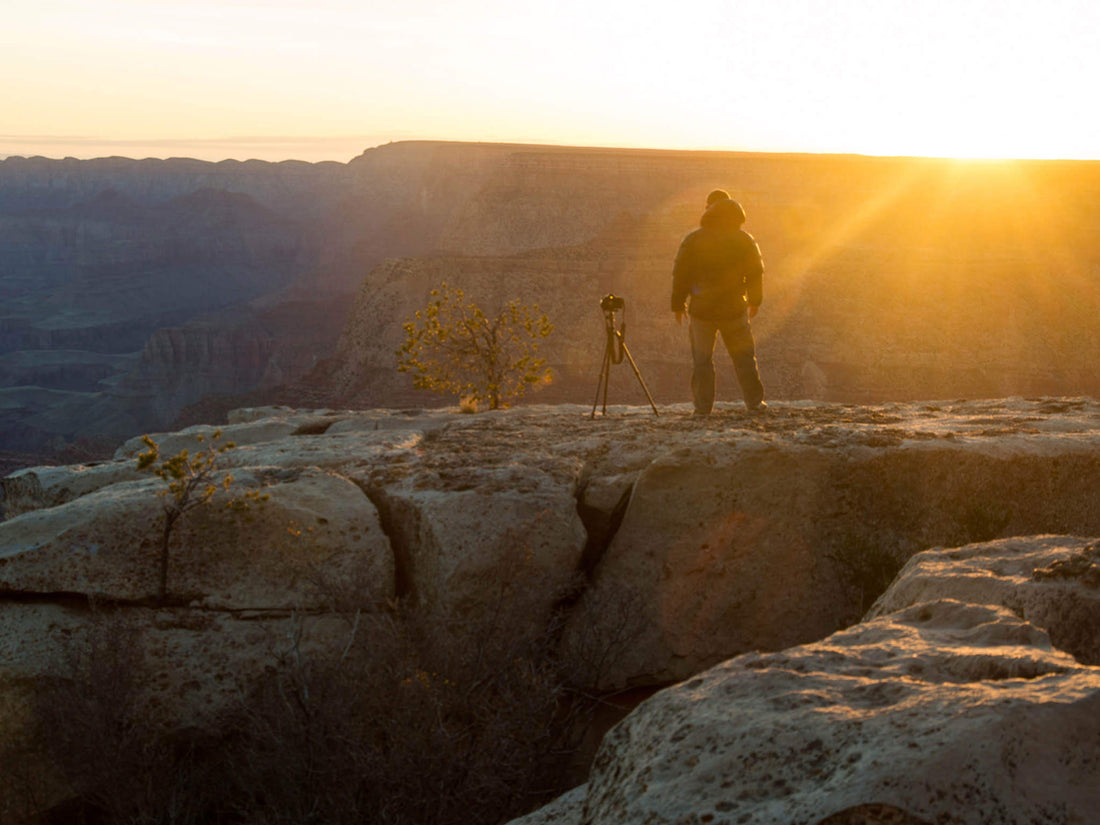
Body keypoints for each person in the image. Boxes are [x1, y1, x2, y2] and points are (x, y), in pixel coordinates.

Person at [670, 189, 766, 414]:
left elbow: (681, 274)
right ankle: (755, 403)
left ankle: (703, 408)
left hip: (701, 311)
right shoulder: (744, 240)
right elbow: (755, 273)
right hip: (734, 309)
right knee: (744, 358)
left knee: (702, 361)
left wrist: (678, 305)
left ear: (709, 211)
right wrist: (755, 301)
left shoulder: (693, 239)